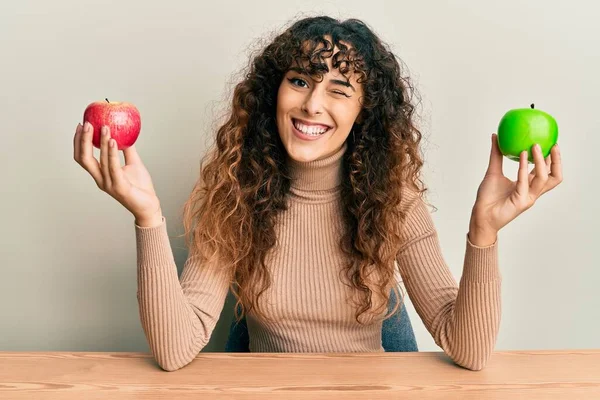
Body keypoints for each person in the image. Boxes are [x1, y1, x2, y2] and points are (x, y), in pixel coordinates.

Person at [72, 16, 562, 372]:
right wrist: (148, 218)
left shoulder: (395, 199)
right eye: (300, 81)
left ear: (363, 112)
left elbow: (470, 352)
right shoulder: (235, 194)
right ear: (274, 93)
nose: (312, 104)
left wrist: (484, 232)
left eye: (340, 90)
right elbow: (176, 351)